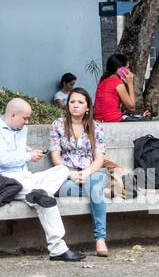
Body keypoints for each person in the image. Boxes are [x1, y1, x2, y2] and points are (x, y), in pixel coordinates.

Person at [0, 97, 84, 262]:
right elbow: (3, 159)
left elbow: (19, 151)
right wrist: (28, 156)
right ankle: (58, 249)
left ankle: (38, 194)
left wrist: (32, 151)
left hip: (27, 178)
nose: (27, 122)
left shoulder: (21, 129)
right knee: (46, 199)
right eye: (25, 118)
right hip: (5, 181)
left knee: (62, 169)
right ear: (13, 115)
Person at [48, 87, 111, 257]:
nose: (75, 105)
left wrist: (86, 172)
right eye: (72, 101)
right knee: (94, 190)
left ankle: (100, 239)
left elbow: (99, 159)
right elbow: (55, 157)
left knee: (94, 185)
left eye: (80, 102)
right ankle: (103, 191)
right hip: (65, 176)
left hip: (90, 173)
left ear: (88, 107)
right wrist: (69, 173)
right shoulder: (58, 125)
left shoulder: (96, 127)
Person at [93, 53, 140, 122]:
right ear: (120, 69)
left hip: (101, 121)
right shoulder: (117, 83)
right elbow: (132, 107)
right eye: (127, 68)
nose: (129, 71)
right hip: (114, 121)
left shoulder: (102, 82)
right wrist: (130, 84)